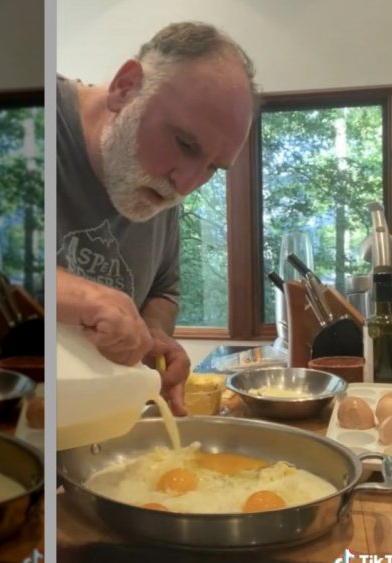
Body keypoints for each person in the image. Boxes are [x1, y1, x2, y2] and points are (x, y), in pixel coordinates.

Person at [57, 22, 257, 415]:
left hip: (96, 430)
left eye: (213, 168)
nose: (186, 184)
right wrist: (81, 296)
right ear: (125, 86)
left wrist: (153, 335)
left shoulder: (163, 182)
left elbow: (164, 289)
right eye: (184, 144)